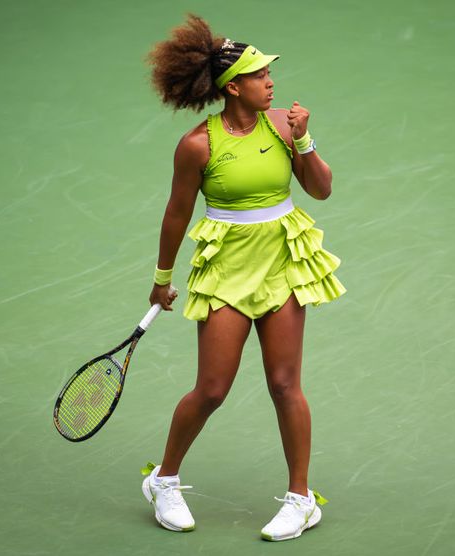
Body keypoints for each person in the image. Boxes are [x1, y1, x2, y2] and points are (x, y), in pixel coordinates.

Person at [141, 14, 345, 542]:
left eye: (268, 73)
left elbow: (320, 190)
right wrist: (162, 278)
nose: (270, 81)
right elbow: (175, 214)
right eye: (260, 75)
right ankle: (164, 480)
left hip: (282, 262)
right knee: (211, 388)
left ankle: (302, 499)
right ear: (234, 87)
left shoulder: (283, 126)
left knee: (284, 384)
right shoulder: (197, 145)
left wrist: (304, 141)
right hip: (228, 271)